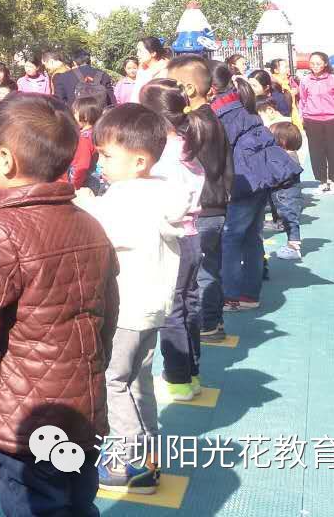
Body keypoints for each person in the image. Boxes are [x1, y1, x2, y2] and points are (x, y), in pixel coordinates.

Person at [0, 94, 118, 516]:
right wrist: (93, 364)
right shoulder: (88, 224)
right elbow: (107, 311)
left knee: (35, 503)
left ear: (5, 160)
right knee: (76, 498)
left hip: (25, 412)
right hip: (81, 403)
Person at [75, 103, 186, 494]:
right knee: (139, 380)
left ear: (139, 161)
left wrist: (85, 203)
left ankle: (129, 461)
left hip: (126, 308)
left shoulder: (125, 196)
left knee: (113, 380)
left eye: (107, 156)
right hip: (152, 307)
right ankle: (150, 456)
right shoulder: (161, 191)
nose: (100, 162)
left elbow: (101, 230)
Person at [205, 59, 297, 311]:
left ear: (210, 87)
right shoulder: (239, 105)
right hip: (260, 177)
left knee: (232, 237)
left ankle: (232, 295)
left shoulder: (221, 114)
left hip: (244, 179)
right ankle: (249, 294)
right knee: (251, 237)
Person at [137, 80, 207, 402]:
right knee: (188, 304)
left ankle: (177, 378)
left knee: (172, 310)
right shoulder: (186, 145)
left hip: (173, 236)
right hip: (192, 234)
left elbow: (167, 203)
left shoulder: (163, 156)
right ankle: (191, 373)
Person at [164, 59, 231, 343]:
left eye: (172, 86)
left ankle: (208, 322)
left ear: (188, 89)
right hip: (215, 204)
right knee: (209, 269)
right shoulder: (211, 118)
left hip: (202, 208)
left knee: (200, 273)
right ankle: (213, 320)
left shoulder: (194, 124)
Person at [298, 52, 334, 192]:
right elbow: (303, 100)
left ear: (325, 64)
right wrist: (302, 116)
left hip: (332, 119)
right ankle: (322, 181)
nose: (315, 66)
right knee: (316, 152)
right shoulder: (305, 80)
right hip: (312, 119)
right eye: (312, 63)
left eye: (318, 63)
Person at [267, 122, 306, 260]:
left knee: (290, 219)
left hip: (288, 195)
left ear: (282, 140)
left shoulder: (288, 157)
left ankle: (294, 247)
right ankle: (279, 225)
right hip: (281, 194)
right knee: (282, 215)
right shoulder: (285, 154)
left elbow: (283, 176)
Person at [67, 94, 106, 191]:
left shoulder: (84, 139)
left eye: (74, 113)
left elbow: (82, 166)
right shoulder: (97, 133)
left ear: (85, 116)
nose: (72, 116)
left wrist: (74, 187)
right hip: (95, 176)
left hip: (84, 179)